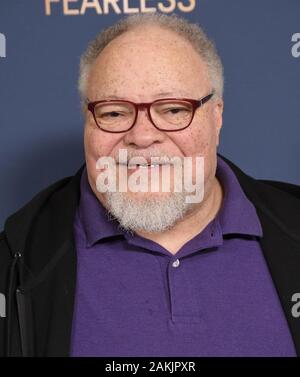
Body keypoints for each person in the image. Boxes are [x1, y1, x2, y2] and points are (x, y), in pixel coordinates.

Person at [0, 12, 300, 357]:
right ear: (87, 121)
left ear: (216, 116)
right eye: (114, 112)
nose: (142, 136)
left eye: (173, 110)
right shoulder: (14, 264)